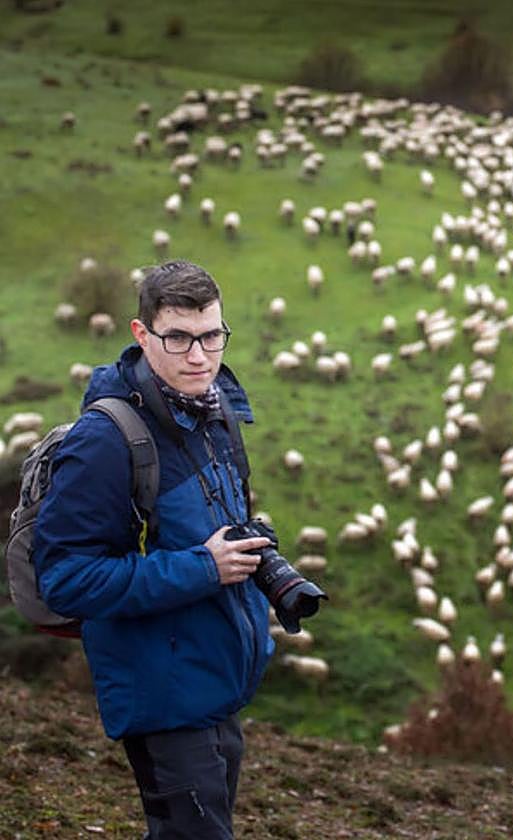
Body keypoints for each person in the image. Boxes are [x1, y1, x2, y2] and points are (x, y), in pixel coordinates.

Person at [33, 259, 275, 839]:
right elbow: (65, 578)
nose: (199, 356)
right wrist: (203, 567)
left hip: (214, 678)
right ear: (142, 335)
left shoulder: (215, 413)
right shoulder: (106, 440)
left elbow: (205, 525)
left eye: (212, 336)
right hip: (162, 689)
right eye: (179, 338)